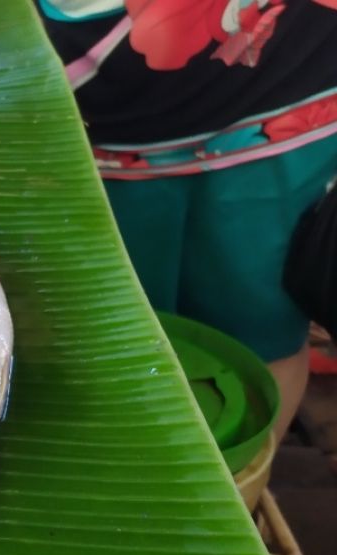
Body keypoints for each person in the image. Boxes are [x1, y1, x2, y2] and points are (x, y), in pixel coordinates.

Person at [37, 0, 337, 440]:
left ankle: (240, 490)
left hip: (282, 98)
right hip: (76, 112)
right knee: (86, 337)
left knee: (259, 333)